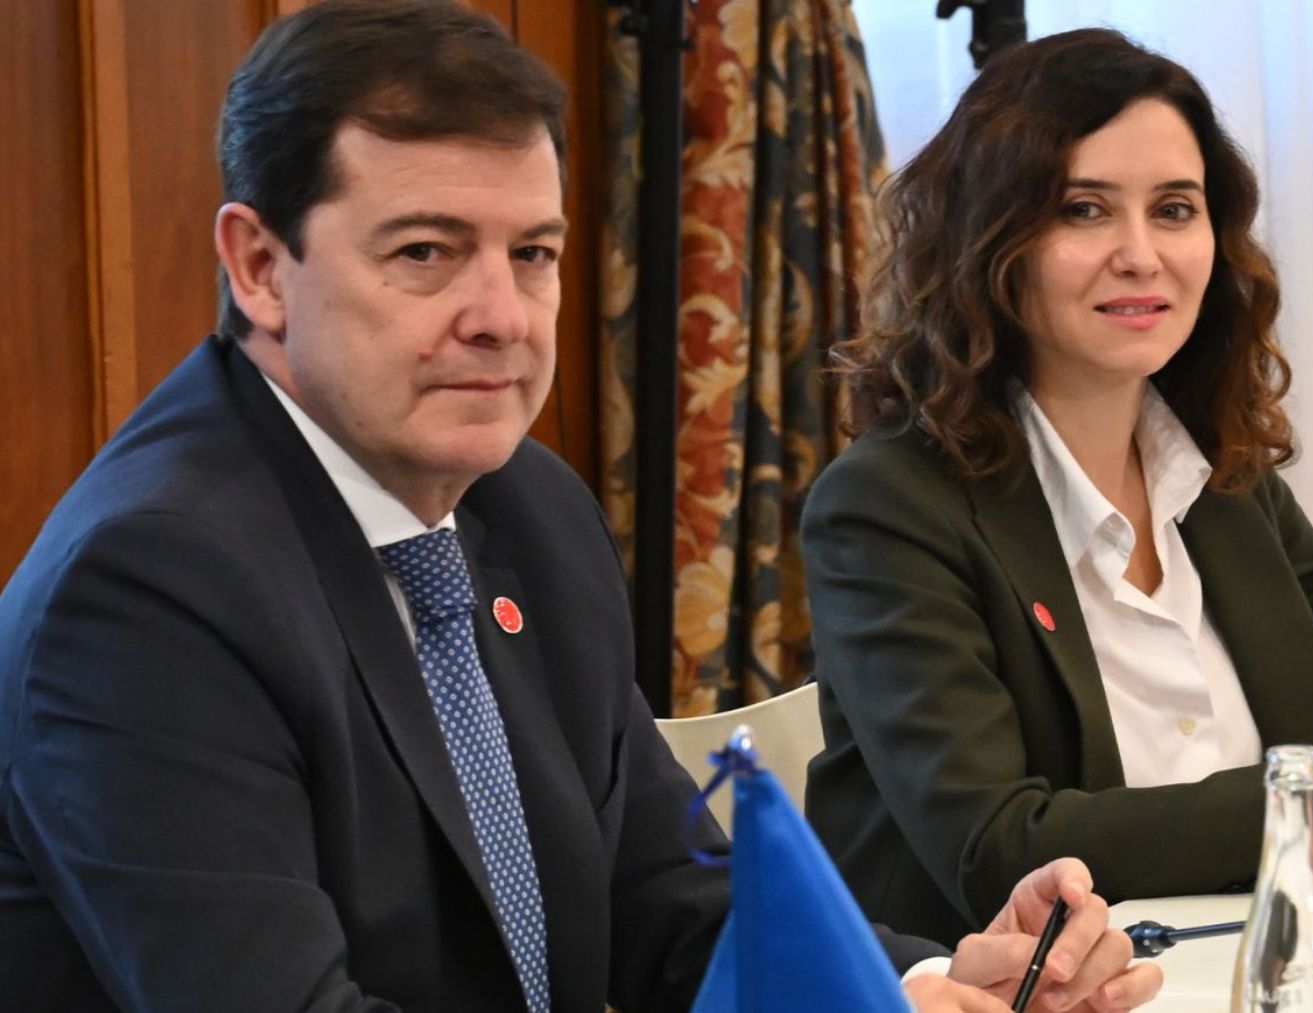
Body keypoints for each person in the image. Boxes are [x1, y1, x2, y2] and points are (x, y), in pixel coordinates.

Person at [0, 3, 1161, 1010]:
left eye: (536, 254)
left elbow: (667, 894)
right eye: (425, 253)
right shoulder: (149, 589)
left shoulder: (527, 506)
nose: (502, 316)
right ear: (260, 267)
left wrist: (931, 983)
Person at [800, 27, 1313, 947]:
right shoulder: (887, 508)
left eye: (1174, 209)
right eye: (1083, 209)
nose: (1141, 254)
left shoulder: (1221, 471)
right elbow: (999, 848)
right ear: (990, 238)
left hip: (1276, 966)